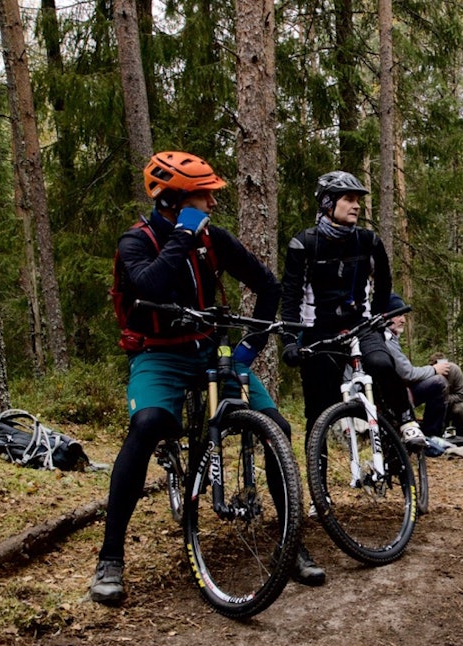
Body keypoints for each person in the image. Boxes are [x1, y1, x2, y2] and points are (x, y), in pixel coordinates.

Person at [91, 151, 324, 606]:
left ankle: (290, 542)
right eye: (205, 196)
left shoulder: (214, 238)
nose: (214, 205)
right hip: (158, 354)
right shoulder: (135, 241)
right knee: (147, 427)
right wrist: (181, 235)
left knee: (277, 425)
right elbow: (151, 286)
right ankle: (110, 558)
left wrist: (247, 351)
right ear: (175, 200)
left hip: (210, 351)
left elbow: (269, 287)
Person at [279, 171, 425, 450]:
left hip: (360, 323)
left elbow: (384, 283)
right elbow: (291, 297)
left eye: (358, 200)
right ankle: (317, 484)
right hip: (318, 330)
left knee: (382, 364)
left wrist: (380, 317)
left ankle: (407, 422)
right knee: (318, 412)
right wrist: (289, 341)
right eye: (348, 199)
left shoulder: (369, 241)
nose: (356, 205)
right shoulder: (304, 244)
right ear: (326, 204)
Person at [383, 293, 451, 438]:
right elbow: (408, 374)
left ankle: (430, 434)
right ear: (386, 316)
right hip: (391, 398)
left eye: (404, 316)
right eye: (398, 315)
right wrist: (434, 369)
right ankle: (432, 437)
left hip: (394, 394)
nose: (403, 320)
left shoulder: (390, 338)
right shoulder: (386, 339)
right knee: (439, 383)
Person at [429, 352, 463, 436]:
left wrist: (443, 399)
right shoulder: (429, 373)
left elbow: (462, 395)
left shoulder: (455, 370)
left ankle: (459, 435)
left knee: (461, 409)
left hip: (452, 406)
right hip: (435, 408)